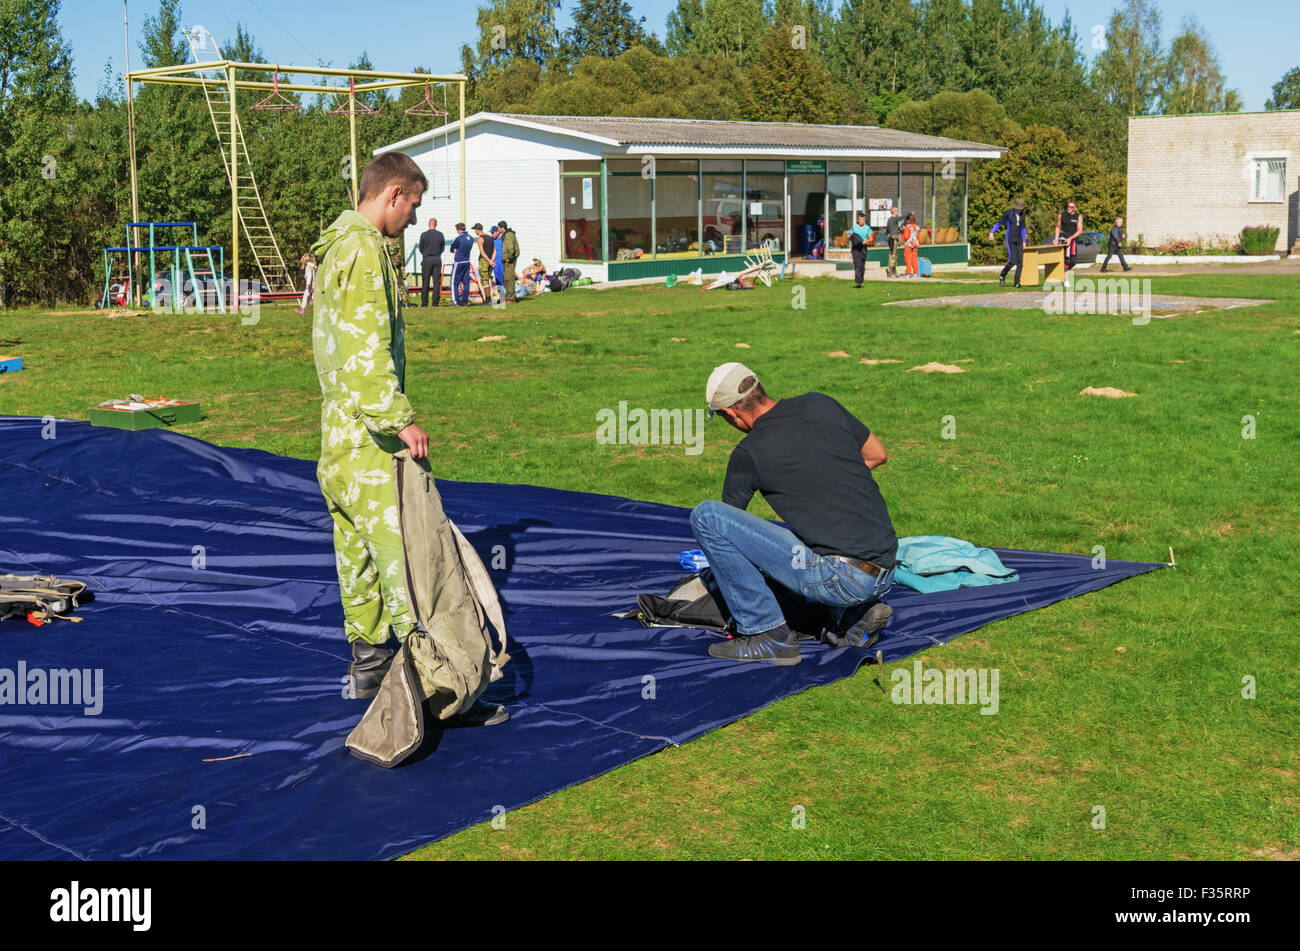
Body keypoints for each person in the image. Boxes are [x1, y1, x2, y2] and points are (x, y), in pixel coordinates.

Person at [310, 151, 428, 699]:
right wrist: (399, 421)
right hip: (370, 437)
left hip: (338, 436)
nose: (411, 218)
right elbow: (366, 347)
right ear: (393, 195)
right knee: (404, 555)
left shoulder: (334, 247)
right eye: (413, 205)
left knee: (355, 556)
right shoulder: (362, 249)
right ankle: (433, 682)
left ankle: (369, 668)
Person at [690, 363, 897, 665]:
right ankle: (855, 616)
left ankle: (766, 634)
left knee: (706, 516)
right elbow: (877, 454)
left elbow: (727, 529)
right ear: (758, 388)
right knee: (807, 542)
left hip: (841, 578)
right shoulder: (820, 403)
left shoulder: (748, 454)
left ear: (731, 414)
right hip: (887, 568)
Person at [989, 198, 1029, 288]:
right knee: (1012, 261)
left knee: (1020, 262)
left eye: (1020, 208)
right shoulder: (1008, 213)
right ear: (1014, 206)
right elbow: (999, 223)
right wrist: (992, 232)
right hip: (1010, 239)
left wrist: (1024, 241)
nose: (1019, 209)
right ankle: (1002, 274)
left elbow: (1023, 228)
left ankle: (1017, 282)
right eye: (1018, 208)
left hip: (1019, 240)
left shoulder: (1023, 214)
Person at [417, 218, 445, 306]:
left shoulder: (424, 235)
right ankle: (435, 303)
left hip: (427, 258)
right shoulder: (440, 235)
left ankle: (424, 303)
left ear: (429, 224)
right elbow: (442, 248)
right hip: (437, 258)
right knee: (437, 282)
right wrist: (437, 253)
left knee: (426, 281)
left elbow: (421, 248)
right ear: (436, 225)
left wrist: (425, 254)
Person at [1054, 199, 1084, 272]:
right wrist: (1056, 238)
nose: (1069, 208)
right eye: (1068, 206)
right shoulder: (1061, 215)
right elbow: (1058, 227)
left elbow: (1080, 230)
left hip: (1073, 239)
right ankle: (1064, 276)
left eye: (1071, 207)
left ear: (1075, 208)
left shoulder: (1078, 217)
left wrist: (1070, 238)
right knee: (1065, 259)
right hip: (1063, 238)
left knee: (1073, 261)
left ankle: (1064, 271)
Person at [449, 222, 474, 305]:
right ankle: (464, 301)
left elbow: (452, 248)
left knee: (454, 282)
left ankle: (456, 301)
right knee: (466, 282)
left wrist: (455, 249)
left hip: (459, 261)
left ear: (458, 229)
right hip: (467, 261)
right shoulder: (471, 238)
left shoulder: (458, 238)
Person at [472, 223, 496, 303]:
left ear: (477, 230)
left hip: (484, 261)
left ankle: (488, 299)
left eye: (475, 230)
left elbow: (482, 252)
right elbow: (494, 250)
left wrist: (488, 261)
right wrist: (492, 260)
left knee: (485, 280)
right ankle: (490, 298)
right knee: (488, 278)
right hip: (490, 260)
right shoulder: (490, 237)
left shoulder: (479, 239)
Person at [498, 220, 520, 302]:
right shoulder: (506, 235)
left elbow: (511, 248)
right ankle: (508, 297)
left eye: (499, 228)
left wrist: (509, 258)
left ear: (502, 228)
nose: (498, 229)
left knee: (509, 279)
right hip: (507, 260)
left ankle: (511, 298)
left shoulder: (508, 235)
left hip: (509, 260)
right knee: (506, 278)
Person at [850, 211, 872, 288]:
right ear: (858, 220)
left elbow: (871, 238)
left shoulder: (867, 228)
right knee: (857, 264)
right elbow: (850, 236)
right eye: (860, 220)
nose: (862, 221)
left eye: (863, 220)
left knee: (862, 265)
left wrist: (867, 241)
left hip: (863, 248)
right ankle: (858, 281)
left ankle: (860, 280)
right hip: (855, 248)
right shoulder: (854, 227)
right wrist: (852, 238)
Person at [884, 205, 901, 278]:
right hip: (892, 239)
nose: (898, 212)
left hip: (894, 239)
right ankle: (890, 272)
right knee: (893, 256)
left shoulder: (891, 220)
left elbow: (887, 230)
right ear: (894, 211)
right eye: (897, 210)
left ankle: (894, 271)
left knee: (895, 255)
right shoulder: (892, 219)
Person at [901, 212, 920, 278]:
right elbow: (917, 236)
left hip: (908, 245)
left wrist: (902, 234)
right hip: (915, 244)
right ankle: (916, 273)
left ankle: (908, 273)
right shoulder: (917, 227)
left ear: (908, 220)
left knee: (908, 259)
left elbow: (906, 237)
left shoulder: (907, 227)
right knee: (915, 259)